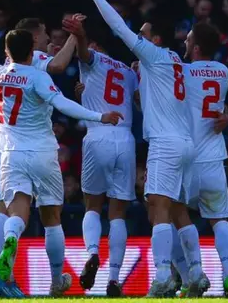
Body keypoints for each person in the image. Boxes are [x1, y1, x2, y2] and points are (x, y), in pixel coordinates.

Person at [0, 17, 123, 298]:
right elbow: (63, 104)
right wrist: (99, 116)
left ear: (6, 53)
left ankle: (9, 242)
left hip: (10, 154)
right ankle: (57, 280)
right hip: (42, 152)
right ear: (32, 50)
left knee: (14, 210)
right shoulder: (38, 76)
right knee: (51, 217)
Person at [75, 0, 208, 297]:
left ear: (155, 39)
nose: (140, 34)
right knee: (177, 209)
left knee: (158, 206)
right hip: (186, 142)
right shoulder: (176, 62)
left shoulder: (153, 54)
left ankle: (163, 276)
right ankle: (197, 274)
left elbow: (117, 28)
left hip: (163, 142)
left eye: (144, 32)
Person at [0, 17, 78, 297]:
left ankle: (3, 272)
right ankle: (54, 280)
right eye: (45, 33)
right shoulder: (35, 61)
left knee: (4, 209)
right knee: (50, 215)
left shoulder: (5, 63)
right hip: (30, 146)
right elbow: (59, 65)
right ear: (33, 38)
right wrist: (76, 36)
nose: (49, 39)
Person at [67, 21, 138, 297]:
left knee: (92, 206)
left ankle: (93, 253)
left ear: (99, 47)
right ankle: (114, 279)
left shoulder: (93, 59)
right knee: (118, 213)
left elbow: (84, 52)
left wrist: (80, 34)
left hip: (99, 135)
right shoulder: (128, 73)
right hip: (126, 139)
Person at [183, 22, 228, 297]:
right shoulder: (223, 71)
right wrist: (225, 113)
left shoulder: (182, 72)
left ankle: (191, 277)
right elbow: (217, 102)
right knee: (220, 219)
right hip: (214, 156)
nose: (185, 43)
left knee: (173, 216)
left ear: (195, 47)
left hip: (186, 158)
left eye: (188, 39)